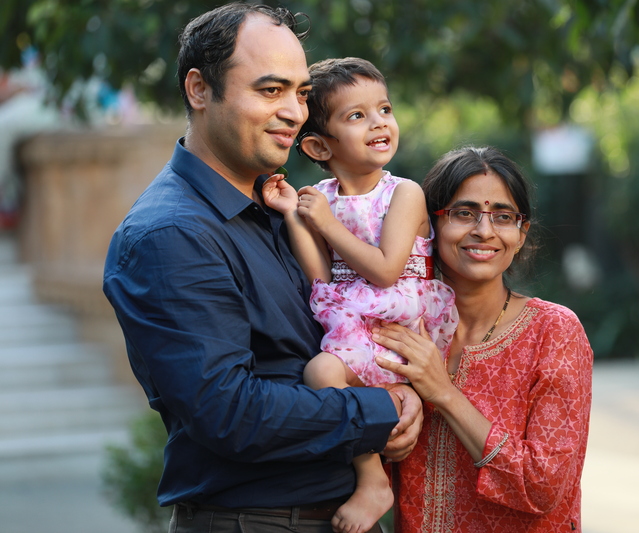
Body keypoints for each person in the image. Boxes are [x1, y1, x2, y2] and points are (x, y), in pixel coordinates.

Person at [102, 5, 422, 533]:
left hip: (334, 513)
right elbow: (230, 412)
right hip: (258, 521)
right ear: (199, 90)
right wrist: (381, 411)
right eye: (270, 91)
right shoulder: (171, 235)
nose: (296, 112)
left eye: (300, 93)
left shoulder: (280, 210)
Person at [262, 57, 457, 533]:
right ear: (318, 145)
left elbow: (387, 271)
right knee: (321, 371)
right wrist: (296, 216)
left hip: (396, 321)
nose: (379, 123)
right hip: (353, 320)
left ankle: (376, 479)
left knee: (326, 370)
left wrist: (326, 222)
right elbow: (323, 278)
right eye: (357, 116)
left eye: (384, 109)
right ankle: (372, 478)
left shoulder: (404, 192)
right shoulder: (321, 195)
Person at [372, 146, 594, 532]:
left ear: (521, 234)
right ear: (430, 225)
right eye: (464, 213)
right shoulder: (400, 328)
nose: (484, 230)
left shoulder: (554, 333)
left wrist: (444, 393)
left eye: (503, 217)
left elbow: (543, 487)